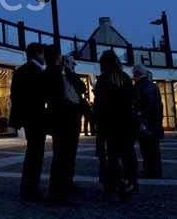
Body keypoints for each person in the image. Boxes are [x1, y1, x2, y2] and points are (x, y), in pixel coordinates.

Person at [94, 50, 138, 202]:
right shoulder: (125, 78)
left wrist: (98, 124)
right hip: (126, 123)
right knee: (128, 154)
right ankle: (130, 183)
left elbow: (99, 106)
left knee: (111, 157)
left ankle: (113, 186)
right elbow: (132, 101)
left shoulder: (103, 80)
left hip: (109, 124)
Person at [10, 43, 49, 201]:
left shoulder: (21, 70)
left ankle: (28, 187)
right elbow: (42, 95)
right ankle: (31, 188)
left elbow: (15, 96)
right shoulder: (37, 72)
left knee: (33, 152)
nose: (44, 57)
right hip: (36, 117)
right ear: (38, 54)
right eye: (43, 54)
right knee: (36, 153)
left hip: (27, 118)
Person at [46, 51, 85, 201]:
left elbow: (81, 88)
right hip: (63, 120)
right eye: (71, 62)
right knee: (62, 155)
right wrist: (69, 71)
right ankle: (58, 189)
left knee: (68, 154)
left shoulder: (63, 74)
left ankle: (66, 183)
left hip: (69, 120)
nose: (74, 64)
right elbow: (79, 88)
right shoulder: (56, 74)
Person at [133, 66, 163, 179]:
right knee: (154, 149)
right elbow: (159, 106)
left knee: (146, 149)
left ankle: (149, 171)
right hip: (154, 123)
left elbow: (139, 106)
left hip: (145, 123)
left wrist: (140, 120)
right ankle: (156, 171)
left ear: (136, 74)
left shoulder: (138, 87)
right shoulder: (153, 86)